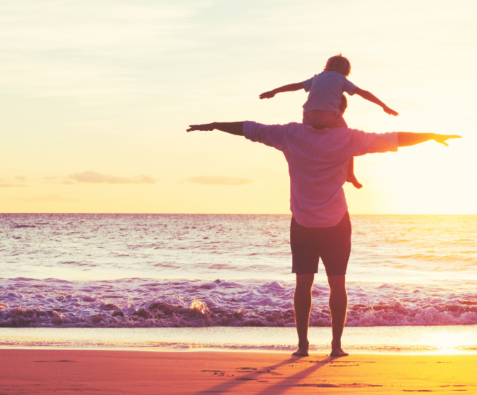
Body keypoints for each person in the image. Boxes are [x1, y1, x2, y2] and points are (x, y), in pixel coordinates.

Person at [187, 115, 459, 358]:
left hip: (303, 222)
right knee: (337, 284)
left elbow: (250, 128)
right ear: (337, 113)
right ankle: (336, 346)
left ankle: (303, 346)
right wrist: (431, 136)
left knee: (303, 284)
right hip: (336, 222)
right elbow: (392, 139)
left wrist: (214, 125)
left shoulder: (290, 133)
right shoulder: (347, 137)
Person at [259, 54, 397, 189]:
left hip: (308, 116)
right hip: (329, 116)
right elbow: (363, 92)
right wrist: (384, 106)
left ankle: (308, 166)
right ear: (346, 70)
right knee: (349, 139)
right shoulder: (341, 79)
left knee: (309, 139)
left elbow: (295, 86)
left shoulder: (317, 78)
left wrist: (274, 91)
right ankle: (350, 174)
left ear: (327, 66)